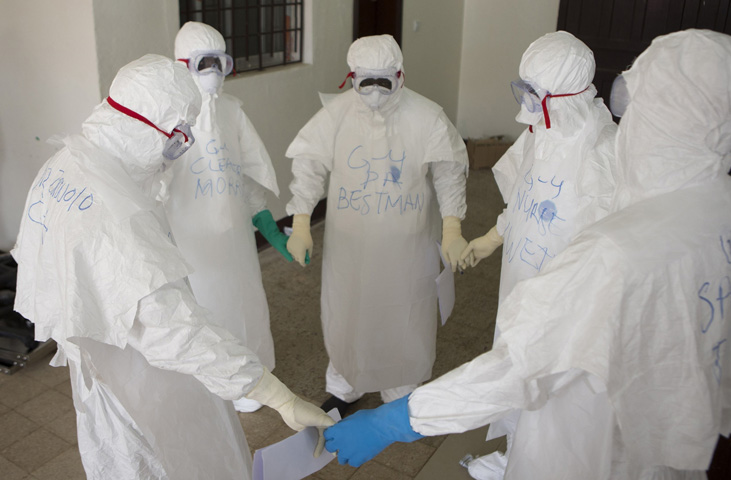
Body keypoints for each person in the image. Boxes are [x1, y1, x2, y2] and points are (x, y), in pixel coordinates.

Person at [323, 29, 731, 480]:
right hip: (660, 425)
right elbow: (526, 198)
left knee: (550, 416)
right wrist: (494, 237)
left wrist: (402, 419)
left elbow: (525, 364)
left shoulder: (618, 245)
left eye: (632, 104)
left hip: (588, 442)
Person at [12, 54, 333, 480]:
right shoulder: (114, 213)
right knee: (171, 461)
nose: (177, 152)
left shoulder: (65, 164)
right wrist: (277, 395)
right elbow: (172, 331)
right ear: (142, 125)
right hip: (145, 382)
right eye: (176, 138)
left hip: (104, 370)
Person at [457, 31, 617, 477]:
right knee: (516, 367)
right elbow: (524, 201)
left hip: (569, 301)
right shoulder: (540, 133)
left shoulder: (604, 154)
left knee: (556, 386)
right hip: (520, 281)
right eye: (522, 90)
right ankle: (514, 454)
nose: (523, 106)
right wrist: (493, 237)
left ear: (564, 96)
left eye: (533, 94)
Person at [284, 34, 469, 414]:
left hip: (408, 246)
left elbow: (450, 174)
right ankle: (345, 382)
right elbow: (309, 164)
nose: (374, 93)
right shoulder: (336, 115)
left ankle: (400, 384)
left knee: (404, 310)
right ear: (351, 77)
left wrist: (452, 227)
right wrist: (301, 219)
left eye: (383, 82)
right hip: (349, 244)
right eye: (364, 82)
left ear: (399, 75)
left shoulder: (427, 116)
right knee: (347, 309)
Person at [168, 21, 288, 413]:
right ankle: (204, 383)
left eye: (220, 62)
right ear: (182, 64)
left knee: (242, 305)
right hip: (188, 243)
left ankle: (247, 379)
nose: (214, 73)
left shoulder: (232, 112)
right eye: (205, 62)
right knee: (199, 309)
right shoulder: (163, 120)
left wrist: (268, 224)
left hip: (235, 242)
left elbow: (245, 175)